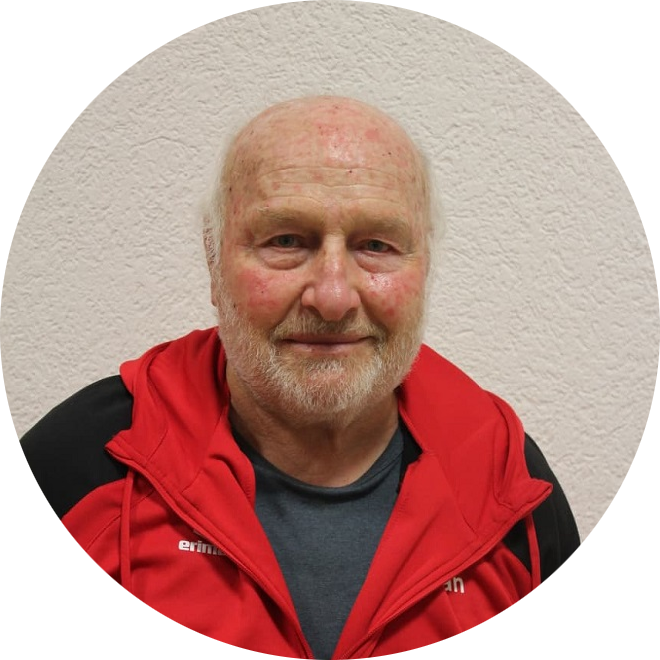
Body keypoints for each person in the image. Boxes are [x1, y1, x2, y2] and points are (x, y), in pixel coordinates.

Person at [20, 95, 580, 657]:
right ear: (214, 262)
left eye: (376, 245)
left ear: (425, 267)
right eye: (286, 241)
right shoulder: (78, 470)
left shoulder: (513, 492)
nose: (333, 298)